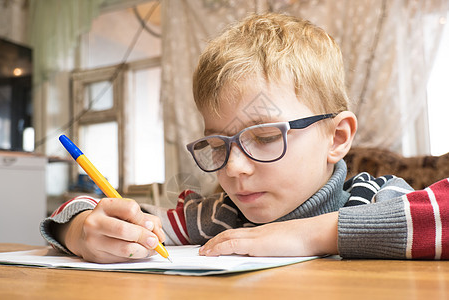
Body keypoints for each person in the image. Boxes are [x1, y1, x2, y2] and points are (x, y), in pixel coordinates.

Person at [40, 13, 449, 263]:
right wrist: (78, 230)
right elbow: (116, 212)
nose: (233, 169)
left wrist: (308, 233)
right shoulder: (221, 215)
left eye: (267, 137)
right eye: (218, 145)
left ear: (336, 137)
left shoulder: (378, 198)